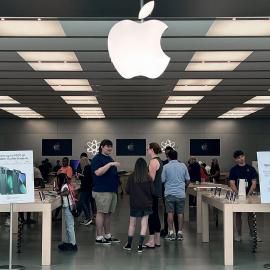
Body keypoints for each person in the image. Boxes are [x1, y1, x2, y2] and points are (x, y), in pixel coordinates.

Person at [91, 139, 121, 245]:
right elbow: (98, 172)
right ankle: (99, 237)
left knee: (108, 213)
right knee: (101, 212)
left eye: (111, 146)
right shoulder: (97, 159)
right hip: (102, 191)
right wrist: (109, 165)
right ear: (102, 147)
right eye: (108, 146)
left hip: (111, 190)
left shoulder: (109, 158)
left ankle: (107, 235)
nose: (110, 148)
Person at [229, 150, 262, 242]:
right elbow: (232, 183)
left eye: (242, 156)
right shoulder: (233, 170)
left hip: (249, 195)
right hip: (238, 196)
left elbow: (254, 183)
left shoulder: (251, 169)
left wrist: (248, 195)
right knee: (238, 214)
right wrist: (239, 194)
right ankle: (239, 235)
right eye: (239, 157)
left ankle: (252, 235)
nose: (241, 159)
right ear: (236, 159)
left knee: (250, 214)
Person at [123, 158, 154, 253]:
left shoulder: (131, 177)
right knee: (144, 224)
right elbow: (152, 191)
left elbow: (127, 191)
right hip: (147, 204)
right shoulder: (148, 177)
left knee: (132, 224)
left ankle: (129, 244)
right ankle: (140, 246)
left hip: (135, 204)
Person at [162, 150, 190, 241]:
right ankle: (180, 233)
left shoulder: (166, 166)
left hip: (169, 193)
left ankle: (171, 233)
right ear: (177, 157)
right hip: (181, 193)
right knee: (180, 213)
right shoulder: (183, 166)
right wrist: (185, 187)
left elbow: (162, 180)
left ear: (168, 157)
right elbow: (188, 180)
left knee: (170, 213)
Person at [143, 142, 163, 249]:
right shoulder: (160, 161)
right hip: (158, 191)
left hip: (152, 192)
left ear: (152, 150)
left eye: (148, 149)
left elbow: (151, 178)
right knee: (156, 215)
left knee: (151, 216)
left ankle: (151, 241)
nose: (147, 151)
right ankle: (157, 240)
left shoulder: (153, 161)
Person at [160, 146, 179, 236]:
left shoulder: (179, 164)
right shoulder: (163, 163)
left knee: (177, 211)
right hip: (166, 190)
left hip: (177, 191)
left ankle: (177, 229)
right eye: (166, 153)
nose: (167, 155)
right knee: (167, 211)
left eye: (169, 153)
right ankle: (166, 229)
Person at [58, 173, 78, 251]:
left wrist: (60, 193)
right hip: (71, 206)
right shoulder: (68, 185)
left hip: (67, 207)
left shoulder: (64, 186)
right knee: (68, 225)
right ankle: (67, 241)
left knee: (69, 226)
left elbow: (66, 192)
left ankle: (73, 243)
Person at [77, 156, 95, 226]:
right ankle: (89, 218)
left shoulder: (86, 168)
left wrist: (80, 177)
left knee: (82, 202)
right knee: (87, 202)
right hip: (89, 188)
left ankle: (88, 218)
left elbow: (86, 178)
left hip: (85, 187)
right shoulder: (90, 167)